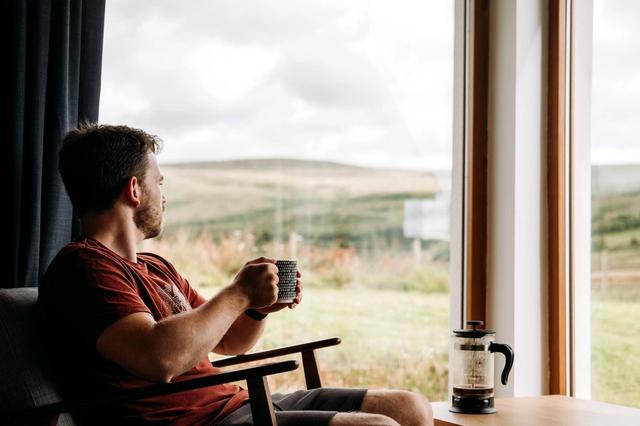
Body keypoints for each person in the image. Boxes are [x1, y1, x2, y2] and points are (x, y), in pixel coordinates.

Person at [38, 123, 434, 426]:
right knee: (377, 425)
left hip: (235, 405)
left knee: (409, 406)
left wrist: (258, 309)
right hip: (196, 422)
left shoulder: (155, 266)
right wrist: (239, 292)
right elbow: (161, 359)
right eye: (159, 182)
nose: (164, 194)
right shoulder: (84, 267)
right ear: (134, 190)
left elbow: (227, 340)